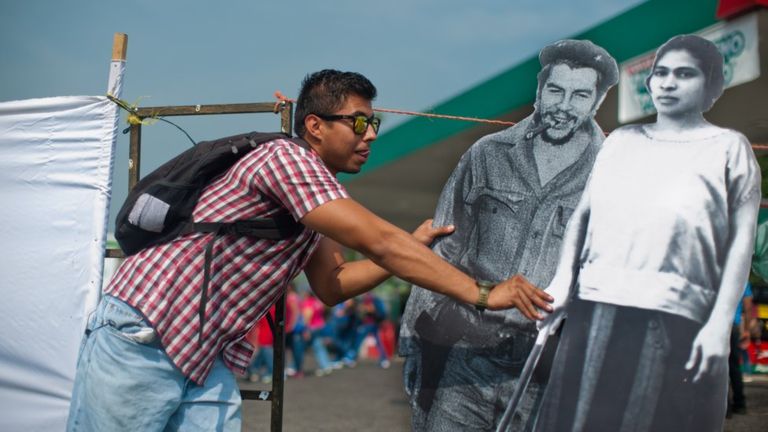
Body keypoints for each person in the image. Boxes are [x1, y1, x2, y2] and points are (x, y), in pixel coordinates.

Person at [66, 69, 553, 431]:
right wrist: (483, 293)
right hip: (146, 334)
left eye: (375, 123)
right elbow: (378, 240)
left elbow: (332, 285)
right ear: (316, 126)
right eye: (359, 123)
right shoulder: (286, 159)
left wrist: (414, 244)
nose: (370, 136)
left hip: (203, 356)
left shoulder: (312, 197)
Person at [536, 35, 761, 432]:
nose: (668, 83)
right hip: (594, 306)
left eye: (684, 74)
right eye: (661, 73)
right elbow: (584, 215)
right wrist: (562, 282)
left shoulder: (729, 148)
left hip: (673, 317)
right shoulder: (621, 142)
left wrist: (717, 326)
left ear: (710, 85)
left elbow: (742, 243)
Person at [398, 39, 618, 431]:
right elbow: (441, 253)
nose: (564, 105)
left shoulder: (613, 174)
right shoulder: (487, 154)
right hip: (464, 361)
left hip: (549, 368)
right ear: (539, 90)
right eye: (555, 90)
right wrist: (415, 345)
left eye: (580, 95)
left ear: (597, 101)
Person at [728, 281, 755, 415]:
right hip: (733, 325)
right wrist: (747, 330)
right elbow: (748, 306)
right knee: (734, 366)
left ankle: (724, 407)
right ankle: (739, 404)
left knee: (716, 365)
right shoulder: (742, 277)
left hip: (715, 323)